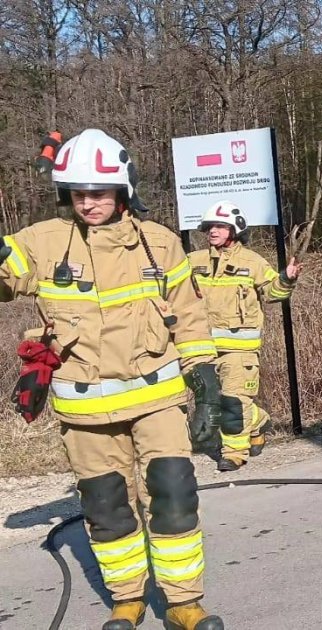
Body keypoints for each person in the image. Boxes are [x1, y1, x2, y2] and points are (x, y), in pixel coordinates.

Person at [0, 129, 233, 628]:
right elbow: (8, 272)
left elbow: (190, 318)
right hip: (84, 411)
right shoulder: (43, 241)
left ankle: (184, 603)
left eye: (99, 193)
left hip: (157, 400)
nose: (89, 203)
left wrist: (206, 383)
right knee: (107, 507)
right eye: (79, 194)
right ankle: (127, 599)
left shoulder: (159, 244)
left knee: (173, 493)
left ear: (122, 189)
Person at [189, 200, 301, 471]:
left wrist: (286, 279)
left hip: (240, 349)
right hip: (202, 348)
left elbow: (273, 294)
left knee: (233, 399)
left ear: (234, 229)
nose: (212, 232)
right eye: (209, 227)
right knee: (212, 399)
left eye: (218, 226)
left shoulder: (252, 262)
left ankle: (234, 452)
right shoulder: (194, 261)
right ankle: (258, 420)